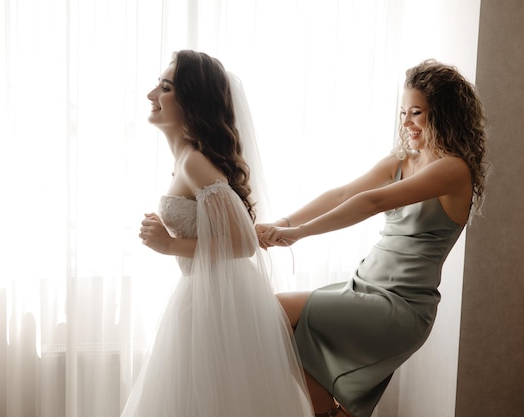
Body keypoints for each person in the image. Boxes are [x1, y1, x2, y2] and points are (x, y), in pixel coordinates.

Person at [257, 59, 487, 417]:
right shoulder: (400, 162)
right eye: (402, 112)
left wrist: (297, 234)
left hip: (400, 306)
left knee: (273, 311)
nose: (406, 122)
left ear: (444, 114)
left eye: (416, 112)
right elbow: (342, 194)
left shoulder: (453, 169)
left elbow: (372, 201)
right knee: (286, 335)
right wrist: (283, 222)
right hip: (361, 287)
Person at [121, 50, 313, 417]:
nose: (151, 96)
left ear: (192, 100)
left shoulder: (194, 161)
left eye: (164, 88)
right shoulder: (186, 160)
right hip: (207, 294)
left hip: (218, 302)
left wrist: (169, 244)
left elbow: (241, 242)